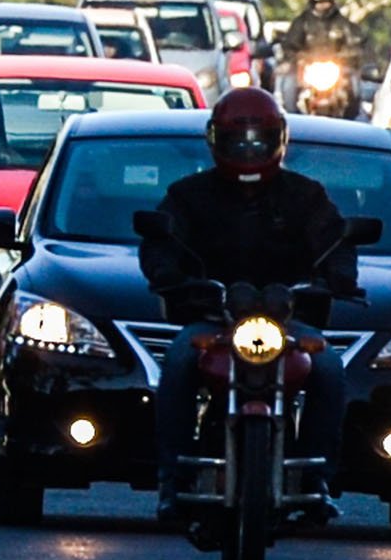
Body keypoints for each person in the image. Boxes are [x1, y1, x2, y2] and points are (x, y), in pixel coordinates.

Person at [137, 88, 356, 522]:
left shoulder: (306, 196)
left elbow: (336, 242)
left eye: (259, 140)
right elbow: (160, 243)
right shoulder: (188, 195)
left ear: (279, 140)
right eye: (238, 141)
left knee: (329, 368)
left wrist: (335, 278)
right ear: (215, 140)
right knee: (179, 362)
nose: (249, 150)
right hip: (212, 319)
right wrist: (173, 279)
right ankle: (172, 479)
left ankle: (317, 479)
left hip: (288, 322)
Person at [277, 0, 366, 111]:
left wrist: (349, 54)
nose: (322, 5)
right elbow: (289, 44)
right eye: (319, 2)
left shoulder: (343, 23)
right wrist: (299, 57)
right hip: (307, 67)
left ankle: (352, 115)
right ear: (312, 1)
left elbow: (355, 42)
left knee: (355, 85)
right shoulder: (301, 23)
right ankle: (292, 117)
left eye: (326, 2)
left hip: (337, 67)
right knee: (288, 85)